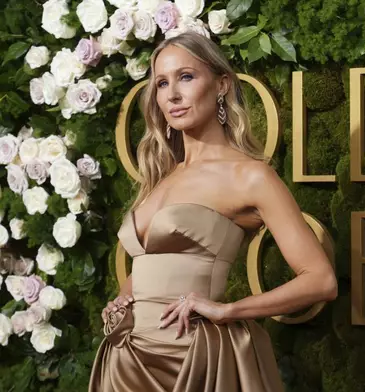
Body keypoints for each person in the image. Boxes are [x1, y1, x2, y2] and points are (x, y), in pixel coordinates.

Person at [89, 31, 338, 391]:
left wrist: (230, 310)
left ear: (221, 85)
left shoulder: (250, 176)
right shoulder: (160, 176)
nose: (172, 94)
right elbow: (154, 261)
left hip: (193, 362)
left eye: (186, 77)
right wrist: (123, 299)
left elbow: (321, 280)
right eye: (161, 83)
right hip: (127, 361)